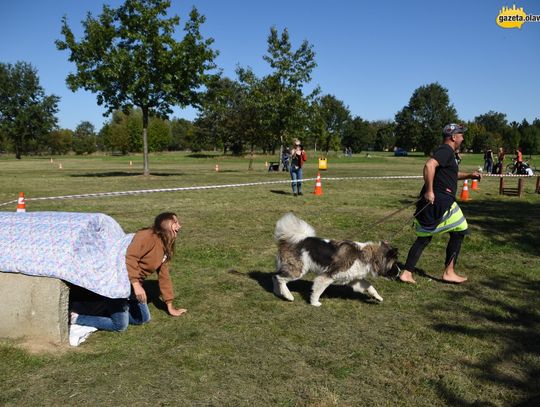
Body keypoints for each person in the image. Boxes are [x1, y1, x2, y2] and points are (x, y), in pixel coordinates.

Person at [71, 212, 187, 332]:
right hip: (116, 279)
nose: (179, 226)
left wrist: (170, 306)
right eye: (175, 223)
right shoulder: (147, 236)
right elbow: (131, 257)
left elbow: (164, 277)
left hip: (131, 283)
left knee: (142, 319)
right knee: (120, 325)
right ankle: (76, 318)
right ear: (166, 224)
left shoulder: (166, 245)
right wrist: (136, 285)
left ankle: (113, 306)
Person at [399, 124, 481, 285]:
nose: (463, 138)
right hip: (440, 200)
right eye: (461, 135)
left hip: (436, 201)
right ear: (453, 137)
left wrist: (470, 175)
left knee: (424, 237)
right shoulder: (445, 150)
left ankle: (406, 273)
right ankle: (449, 272)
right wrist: (429, 191)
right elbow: (429, 165)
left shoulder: (447, 153)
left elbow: (450, 173)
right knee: (460, 230)